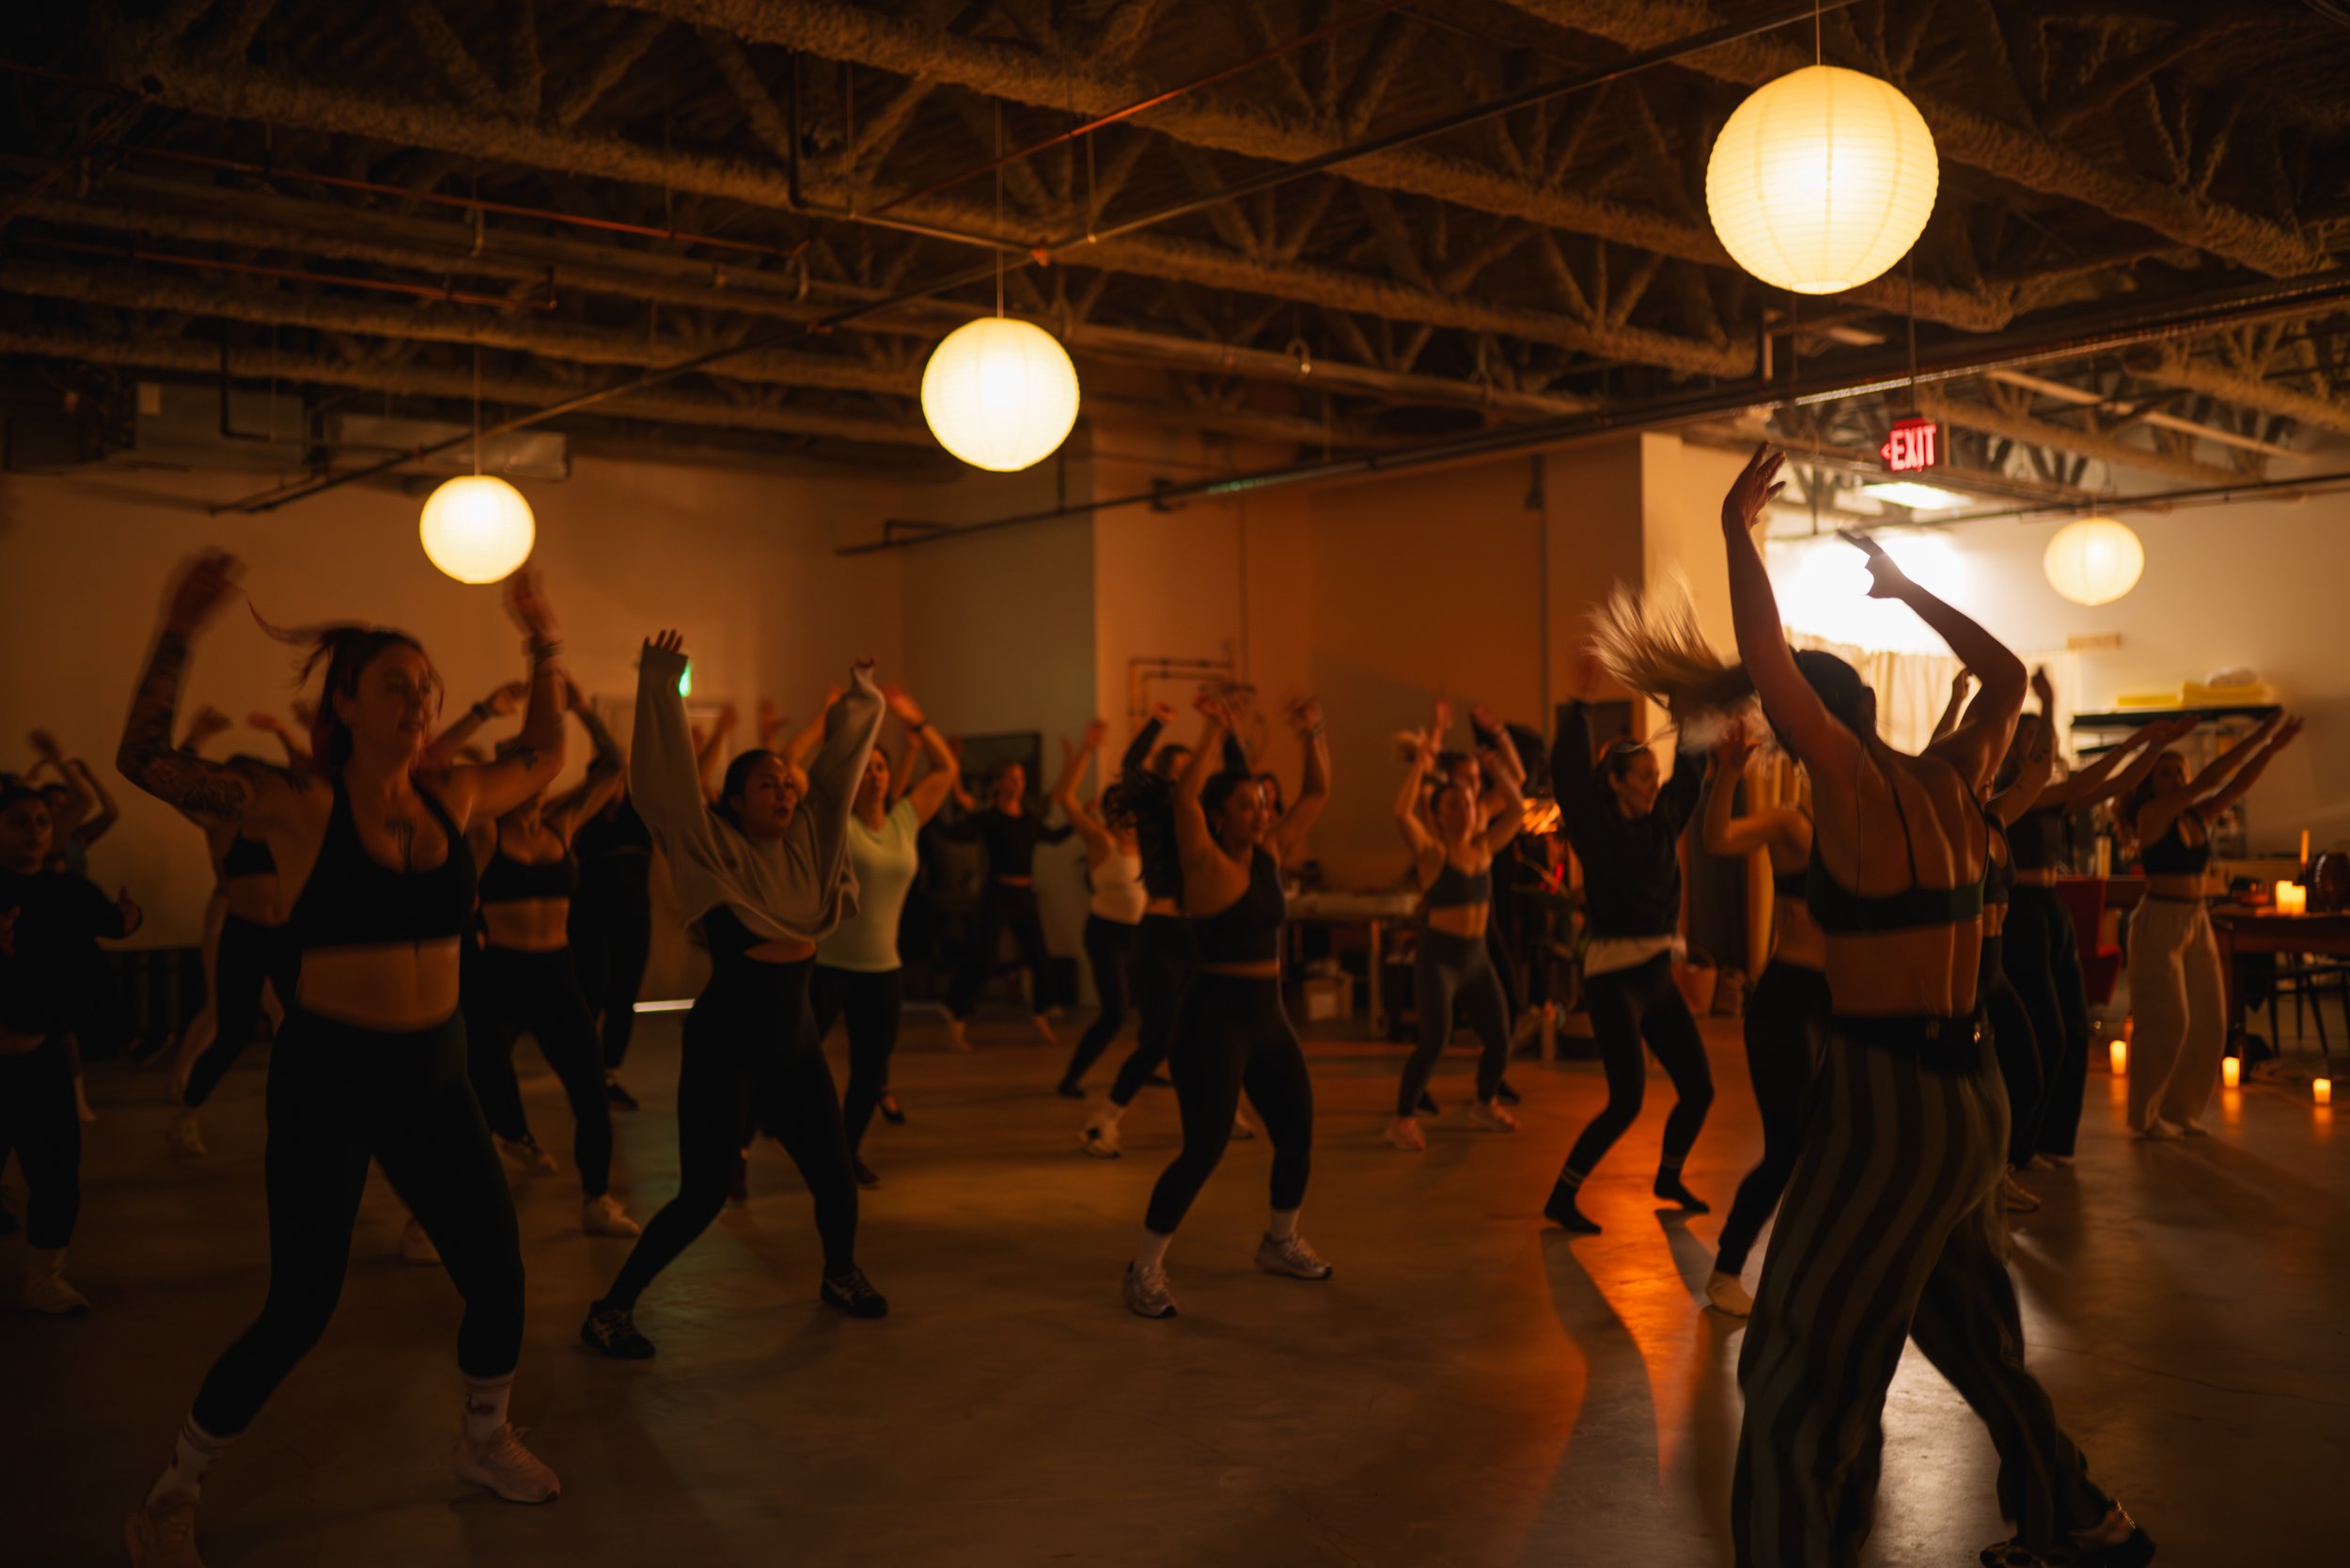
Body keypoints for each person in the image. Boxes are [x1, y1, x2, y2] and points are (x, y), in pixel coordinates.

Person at [1716, 449, 2149, 1568]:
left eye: (1788, 718)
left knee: (1792, 1374)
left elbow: (1764, 659)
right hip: (1974, 1104)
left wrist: (1736, 531)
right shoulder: (1956, 779)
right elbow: (2005, 677)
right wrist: (1907, 590)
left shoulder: (1851, 790)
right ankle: (2080, 1521)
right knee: (1971, 1336)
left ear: (1815, 719)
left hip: (1887, 1104)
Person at [119, 552, 572, 1564]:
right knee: (301, 1305)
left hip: (437, 1073)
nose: (418, 701)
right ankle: (169, 1494)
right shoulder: (296, 802)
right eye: (396, 686)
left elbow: (543, 755)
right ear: (349, 705)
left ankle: (484, 1441)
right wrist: (182, 629)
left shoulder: (455, 798)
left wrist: (543, 639)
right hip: (332, 1076)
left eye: (427, 687)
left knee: (498, 1275)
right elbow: (143, 759)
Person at [579, 633, 887, 1361]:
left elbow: (837, 772)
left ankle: (839, 1275)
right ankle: (610, 1309)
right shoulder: (707, 846)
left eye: (787, 782)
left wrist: (861, 700)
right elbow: (664, 785)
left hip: (796, 1044)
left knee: (837, 1181)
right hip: (727, 1047)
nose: (783, 790)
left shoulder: (814, 843)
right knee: (701, 1198)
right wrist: (660, 684)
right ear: (735, 801)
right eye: (766, 785)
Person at [1116, 687, 1330, 1320]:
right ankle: (1144, 1269)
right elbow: (1184, 796)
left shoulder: (1268, 853)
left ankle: (1279, 1240)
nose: (1262, 813)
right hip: (1212, 1023)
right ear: (1219, 816)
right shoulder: (1203, 858)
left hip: (1269, 1019)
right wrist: (1211, 731)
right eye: (1248, 805)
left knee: (1297, 1134)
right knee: (1203, 1149)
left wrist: (1314, 730)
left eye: (1264, 803)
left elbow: (1316, 794)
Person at [1539, 654, 1714, 1235]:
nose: (1653, 781)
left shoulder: (1662, 823)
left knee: (1699, 1089)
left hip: (1657, 977)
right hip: (1614, 979)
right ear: (1614, 783)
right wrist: (1582, 706)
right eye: (1641, 775)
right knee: (1626, 1102)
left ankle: (1668, 1175)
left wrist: (1693, 716)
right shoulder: (1596, 826)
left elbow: (1688, 774)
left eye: (1652, 774)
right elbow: (1567, 773)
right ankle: (1562, 1197)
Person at [461, 680, 639, 1235]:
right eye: (525, 770)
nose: (536, 782)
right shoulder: (486, 832)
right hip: (500, 977)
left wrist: (584, 709)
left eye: (541, 771)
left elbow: (615, 764)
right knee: (474, 1096)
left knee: (590, 1091)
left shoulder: (563, 824)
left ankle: (597, 1199)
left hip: (557, 975)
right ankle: (439, 1213)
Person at [1998, 685, 2189, 1167]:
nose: (2040, 749)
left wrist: (2151, 748)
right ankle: (2020, 1147)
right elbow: (2085, 785)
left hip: (2051, 907)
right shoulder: (2007, 794)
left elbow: (2111, 786)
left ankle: (2051, 1143)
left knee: (2075, 1028)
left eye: (2043, 740)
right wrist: (2131, 744)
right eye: (2030, 740)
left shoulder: (2048, 795)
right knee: (2047, 1032)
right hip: (2020, 912)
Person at [1078, 704, 1253, 1159]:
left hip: (1202, 935)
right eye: (1180, 770)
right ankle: (1105, 1121)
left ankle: (1221, 1111)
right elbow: (1132, 768)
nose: (1191, 774)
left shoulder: (1209, 819)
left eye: (1196, 767)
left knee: (1213, 1033)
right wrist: (1155, 724)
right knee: (1158, 1038)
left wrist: (1228, 733)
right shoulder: (1159, 814)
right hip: (1159, 937)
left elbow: (1240, 777)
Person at [1698, 719, 1827, 1317]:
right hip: (1786, 1001)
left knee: (1828, 1145)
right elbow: (1718, 838)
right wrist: (1728, 773)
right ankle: (1727, 1270)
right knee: (1787, 1146)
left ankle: (1808, 1270)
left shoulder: (1861, 833)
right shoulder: (1791, 823)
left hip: (1836, 1005)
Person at [807, 682, 959, 1186]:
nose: (873, 774)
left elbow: (946, 770)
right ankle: (745, 1141)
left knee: (870, 1072)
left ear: (889, 776)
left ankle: (845, 1153)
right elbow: (796, 771)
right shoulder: (837, 825)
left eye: (880, 767)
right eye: (865, 767)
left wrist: (914, 719)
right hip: (829, 965)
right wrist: (829, 721)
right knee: (792, 1058)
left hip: (882, 970)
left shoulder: (906, 820)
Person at [2122, 710, 2301, 1137]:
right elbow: (2212, 779)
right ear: (2150, 785)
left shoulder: (2196, 818)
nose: (2175, 780)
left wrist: (2270, 749)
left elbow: (2236, 784)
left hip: (2196, 919)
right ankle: (2145, 1117)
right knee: (2167, 1022)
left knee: (2210, 1021)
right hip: (2159, 921)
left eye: (2178, 772)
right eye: (2165, 774)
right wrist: (2259, 734)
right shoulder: (2152, 816)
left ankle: (2180, 1111)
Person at [1, 782, 141, 1313]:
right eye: (19, 820)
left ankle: (45, 1275)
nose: (35, 830)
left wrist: (131, 918)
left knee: (56, 1174)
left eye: (41, 820)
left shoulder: (67, 892)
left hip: (39, 1060)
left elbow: (116, 920)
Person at [166, 709, 306, 1158]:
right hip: (241, 930)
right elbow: (175, 783)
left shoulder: (288, 823)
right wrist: (197, 737)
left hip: (287, 933)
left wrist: (288, 731)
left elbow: (312, 777)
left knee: (305, 1025)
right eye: (247, 779)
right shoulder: (223, 823)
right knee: (229, 1028)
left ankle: (309, 1112)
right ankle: (186, 1109)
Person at [1386, 725, 1526, 1151]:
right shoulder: (1432, 854)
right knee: (1434, 1040)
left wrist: (1495, 768)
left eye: (1467, 803)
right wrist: (1422, 766)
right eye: (1453, 805)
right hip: (1440, 958)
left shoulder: (1484, 847)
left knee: (1500, 1036)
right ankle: (1402, 1119)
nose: (1464, 810)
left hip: (1476, 957)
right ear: (1441, 813)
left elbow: (1517, 810)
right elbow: (1400, 813)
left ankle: (1484, 1101)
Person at [939, 760, 1073, 1049]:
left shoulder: (1029, 819)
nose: (1018, 783)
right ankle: (955, 1011)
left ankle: (1041, 1015)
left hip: (1024, 895)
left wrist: (1081, 819)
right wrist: (952, 780)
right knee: (984, 958)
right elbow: (955, 830)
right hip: (997, 893)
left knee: (1039, 956)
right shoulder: (990, 818)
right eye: (1012, 778)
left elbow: (1054, 836)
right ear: (999, 783)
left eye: (1021, 778)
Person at [1051, 722, 1148, 1099]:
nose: (1128, 815)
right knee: (1115, 1014)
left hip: (1140, 936)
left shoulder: (1145, 844)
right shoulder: (1099, 839)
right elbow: (1065, 798)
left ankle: (1147, 1064)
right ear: (1109, 811)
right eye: (1120, 808)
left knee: (1157, 1010)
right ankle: (1070, 1078)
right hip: (1106, 935)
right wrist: (1087, 751)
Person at [569, 785, 655, 1110]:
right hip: (590, 923)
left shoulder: (639, 821)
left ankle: (607, 1077)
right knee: (589, 996)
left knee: (623, 1001)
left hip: (634, 924)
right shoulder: (585, 823)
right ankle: (584, 1074)